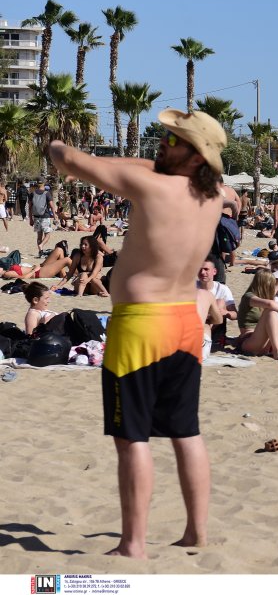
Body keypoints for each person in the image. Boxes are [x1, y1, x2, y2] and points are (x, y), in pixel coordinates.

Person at [49, 107, 228, 558]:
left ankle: (133, 544)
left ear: (196, 157)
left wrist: (55, 144)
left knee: (132, 438)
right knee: (186, 432)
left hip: (141, 325)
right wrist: (159, 160)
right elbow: (148, 168)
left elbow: (73, 162)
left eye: (174, 140)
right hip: (185, 322)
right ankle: (197, 532)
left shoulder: (151, 186)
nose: (163, 142)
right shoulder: (214, 195)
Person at [28, 181, 58, 256]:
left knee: (39, 236)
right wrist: (55, 217)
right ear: (43, 184)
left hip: (36, 217)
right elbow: (52, 206)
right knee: (47, 234)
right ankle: (41, 245)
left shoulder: (32, 194)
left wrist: (31, 219)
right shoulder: (47, 193)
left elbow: (30, 207)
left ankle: (40, 252)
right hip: (45, 217)